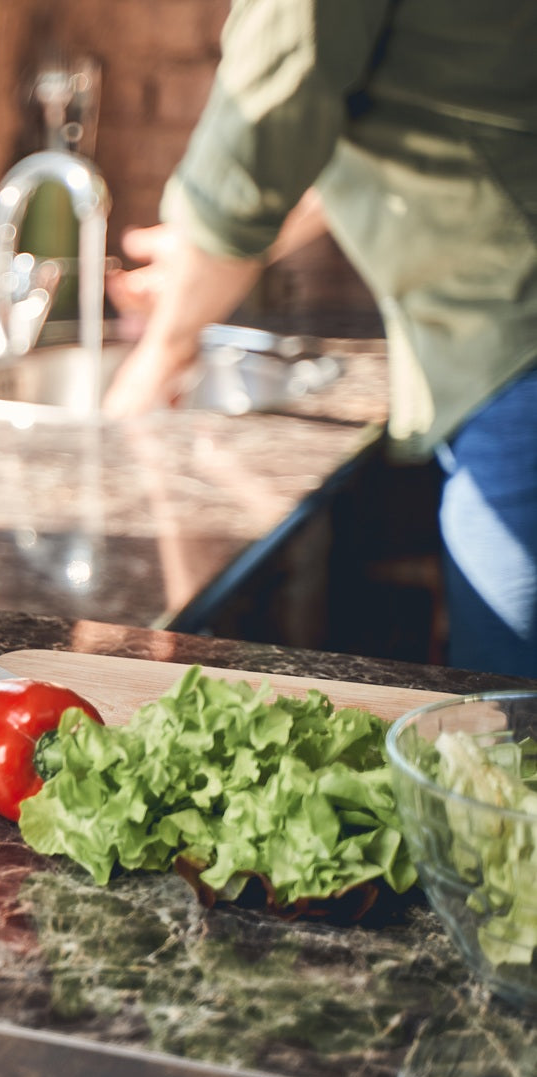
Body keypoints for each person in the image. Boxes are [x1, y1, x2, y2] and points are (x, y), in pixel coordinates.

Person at [101, 0, 537, 679]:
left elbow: (254, 144)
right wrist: (202, 255)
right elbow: (345, 121)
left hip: (517, 345)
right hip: (507, 340)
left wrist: (163, 351)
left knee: (516, 736)